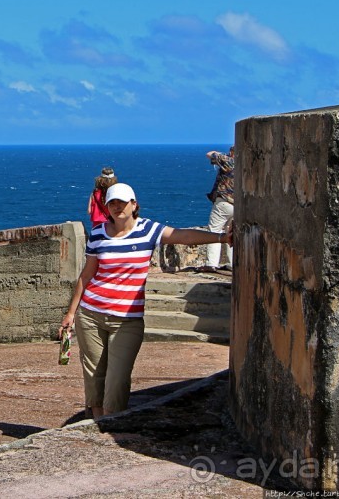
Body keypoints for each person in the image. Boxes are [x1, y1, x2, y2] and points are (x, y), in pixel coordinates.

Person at [59, 183, 232, 419]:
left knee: (117, 378)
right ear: (106, 207)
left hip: (127, 320)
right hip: (91, 314)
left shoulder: (148, 229)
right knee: (94, 374)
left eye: (122, 201)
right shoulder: (99, 233)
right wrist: (71, 313)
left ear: (134, 204)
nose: (117, 206)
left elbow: (182, 236)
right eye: (112, 202)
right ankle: (97, 422)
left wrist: (222, 237)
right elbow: (86, 275)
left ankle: (111, 420)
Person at [201, 146, 235, 272]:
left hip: (224, 203)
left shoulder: (229, 161)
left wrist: (223, 155)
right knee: (231, 232)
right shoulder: (246, 164)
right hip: (238, 205)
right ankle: (232, 264)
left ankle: (211, 264)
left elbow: (209, 153)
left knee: (213, 232)